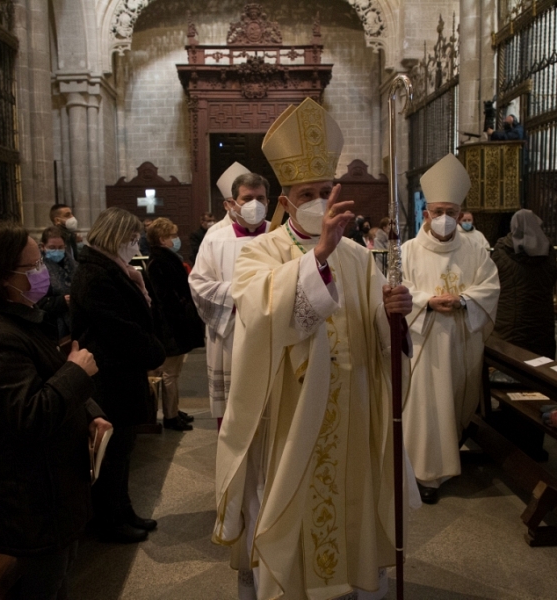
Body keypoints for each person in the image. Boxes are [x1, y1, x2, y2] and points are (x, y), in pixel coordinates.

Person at [213, 98, 418, 600]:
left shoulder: (358, 255)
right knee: (292, 501)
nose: (321, 200)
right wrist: (318, 255)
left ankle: (350, 579)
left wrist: (393, 315)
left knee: (351, 497)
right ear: (285, 202)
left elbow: (375, 332)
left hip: (352, 403)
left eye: (327, 191)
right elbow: (263, 316)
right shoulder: (259, 251)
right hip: (290, 408)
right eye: (308, 193)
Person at [0, 220, 111, 599]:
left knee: (61, 577)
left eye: (41, 261)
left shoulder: (19, 319)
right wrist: (77, 373)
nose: (42, 273)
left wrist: (91, 411)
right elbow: (31, 415)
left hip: (52, 487)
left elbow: (51, 374)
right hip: (28, 498)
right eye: (32, 267)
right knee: (45, 586)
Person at [401, 153, 500, 505]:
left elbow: (490, 286)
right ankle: (423, 472)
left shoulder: (475, 249)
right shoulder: (408, 251)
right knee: (426, 406)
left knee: (453, 403)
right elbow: (399, 290)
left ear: (460, 214)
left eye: (451, 212)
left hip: (459, 339)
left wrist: (464, 301)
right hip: (423, 343)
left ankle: (445, 462)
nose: (444, 219)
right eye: (437, 211)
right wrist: (427, 301)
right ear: (426, 213)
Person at [70, 207, 165, 544]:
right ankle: (109, 520)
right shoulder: (96, 275)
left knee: (122, 450)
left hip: (121, 372)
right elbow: (119, 329)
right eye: (131, 236)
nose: (135, 242)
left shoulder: (112, 269)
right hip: (109, 376)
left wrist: (138, 284)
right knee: (112, 455)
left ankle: (123, 509)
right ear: (115, 236)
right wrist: (153, 351)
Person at [189, 172, 270, 428]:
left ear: (268, 202)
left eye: (260, 198)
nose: (254, 204)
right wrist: (243, 293)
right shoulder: (215, 239)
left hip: (271, 333)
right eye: (247, 199)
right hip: (231, 332)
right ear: (232, 203)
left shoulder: (280, 235)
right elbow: (199, 285)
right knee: (233, 412)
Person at [145, 217, 205, 431]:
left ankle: (174, 409)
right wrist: (182, 310)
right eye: (172, 236)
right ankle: (170, 417)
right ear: (162, 239)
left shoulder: (167, 258)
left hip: (176, 325)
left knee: (174, 372)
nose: (176, 239)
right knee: (169, 374)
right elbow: (165, 298)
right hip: (169, 327)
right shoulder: (159, 261)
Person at [492, 209, 557, 359]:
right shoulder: (549, 252)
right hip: (542, 325)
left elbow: (491, 285)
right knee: (541, 370)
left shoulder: (501, 252)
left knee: (510, 370)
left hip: (510, 327)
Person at [37, 226, 78, 339]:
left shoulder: (72, 264)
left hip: (74, 320)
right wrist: (61, 301)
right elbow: (36, 302)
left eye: (60, 247)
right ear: (43, 247)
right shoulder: (37, 267)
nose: (57, 251)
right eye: (52, 247)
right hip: (51, 324)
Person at [206, 162, 250, 237]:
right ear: (226, 205)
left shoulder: (268, 228)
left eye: (246, 200)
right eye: (233, 202)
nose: (237, 206)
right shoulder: (214, 232)